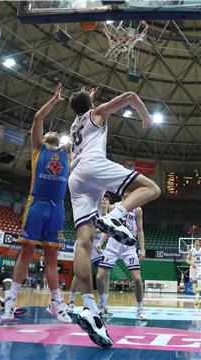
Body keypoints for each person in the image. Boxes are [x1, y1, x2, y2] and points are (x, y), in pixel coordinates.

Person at [68, 87, 160, 348]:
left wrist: (88, 97)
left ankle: (89, 308)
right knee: (151, 188)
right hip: (93, 165)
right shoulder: (95, 112)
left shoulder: (75, 123)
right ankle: (116, 214)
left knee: (83, 242)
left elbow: (81, 104)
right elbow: (131, 95)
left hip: (75, 178)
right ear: (91, 102)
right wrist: (146, 118)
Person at [1, 83, 71, 323]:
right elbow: (38, 117)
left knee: (52, 257)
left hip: (58, 207)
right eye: (48, 131)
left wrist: (86, 108)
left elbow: (83, 130)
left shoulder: (67, 153)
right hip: (38, 204)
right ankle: (10, 302)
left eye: (56, 133)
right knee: (27, 250)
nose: (52, 132)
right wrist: (55, 99)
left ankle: (56, 304)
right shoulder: (37, 148)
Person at [96, 197, 146, 320]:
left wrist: (142, 249)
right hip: (113, 245)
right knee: (99, 277)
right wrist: (101, 242)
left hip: (129, 247)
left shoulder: (137, 209)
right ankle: (103, 304)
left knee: (138, 280)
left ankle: (140, 309)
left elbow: (140, 231)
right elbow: (109, 227)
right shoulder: (114, 207)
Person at [67, 193, 112, 312]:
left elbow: (108, 233)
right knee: (79, 274)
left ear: (109, 204)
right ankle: (70, 301)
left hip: (97, 247)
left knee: (105, 273)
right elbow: (88, 229)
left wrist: (103, 239)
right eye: (102, 198)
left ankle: (103, 302)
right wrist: (102, 229)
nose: (104, 200)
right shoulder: (93, 211)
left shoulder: (110, 217)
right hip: (85, 243)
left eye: (107, 199)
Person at [186, 238, 201, 309]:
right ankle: (197, 299)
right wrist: (191, 263)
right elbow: (186, 260)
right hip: (193, 269)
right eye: (195, 242)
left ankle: (197, 299)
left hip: (200, 268)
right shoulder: (191, 250)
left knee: (199, 283)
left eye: (197, 242)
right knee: (194, 288)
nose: (196, 243)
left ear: (200, 243)